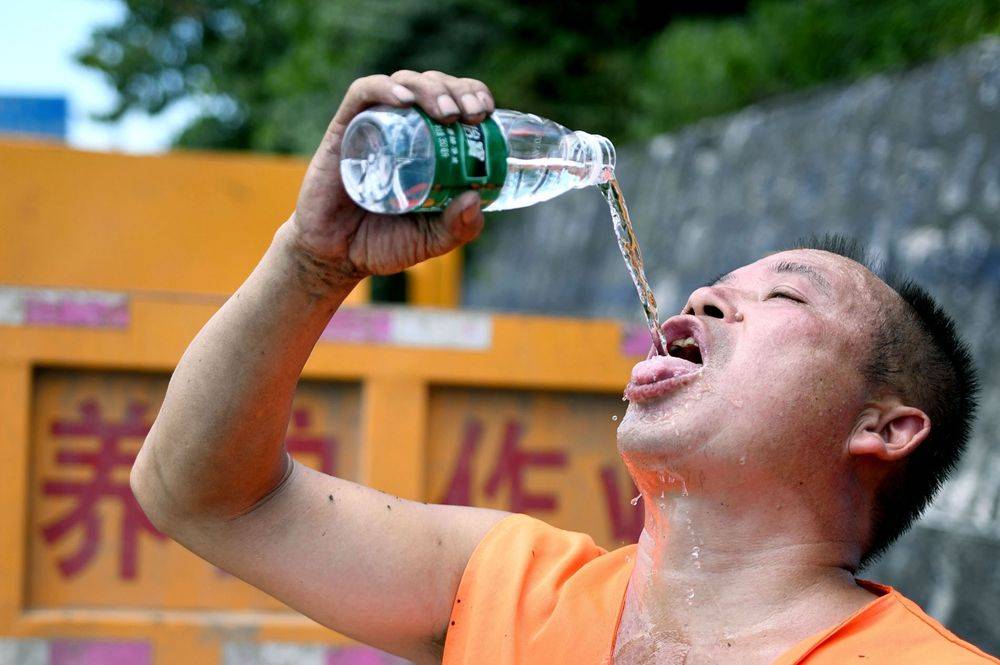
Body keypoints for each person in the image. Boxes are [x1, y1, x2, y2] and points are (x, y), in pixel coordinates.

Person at [131, 71, 997, 664]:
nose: (702, 297)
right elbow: (200, 492)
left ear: (883, 426)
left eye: (787, 297)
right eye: (716, 284)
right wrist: (313, 264)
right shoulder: (508, 589)